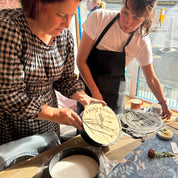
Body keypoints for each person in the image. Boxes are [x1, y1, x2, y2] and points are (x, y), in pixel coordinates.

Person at [0, 0, 106, 145]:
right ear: (37, 5)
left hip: (48, 122)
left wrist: (83, 97)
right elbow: (8, 95)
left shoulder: (64, 37)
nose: (67, 24)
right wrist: (54, 113)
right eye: (61, 15)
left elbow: (65, 79)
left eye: (71, 16)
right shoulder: (9, 29)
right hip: (14, 125)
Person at [77, 0, 172, 118]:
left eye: (136, 18)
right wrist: (95, 93)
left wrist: (163, 103)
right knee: (85, 131)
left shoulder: (141, 41)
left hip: (114, 97)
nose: (127, 22)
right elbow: (80, 60)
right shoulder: (99, 18)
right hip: (88, 92)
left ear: (145, 18)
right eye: (125, 12)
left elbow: (151, 78)